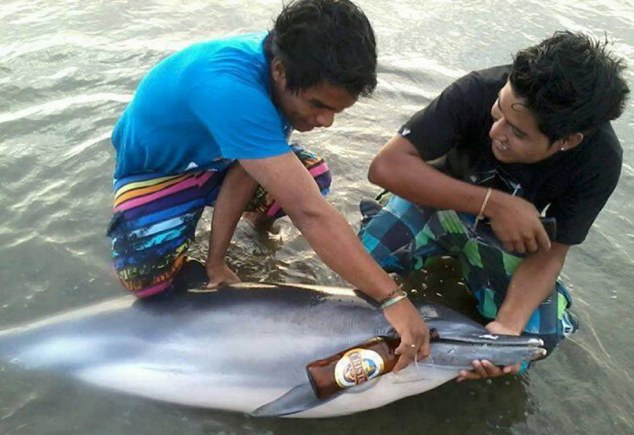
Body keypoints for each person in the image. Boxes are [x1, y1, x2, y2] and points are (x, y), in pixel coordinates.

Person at [106, 0, 430, 370]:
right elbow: (310, 213)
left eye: (336, 111)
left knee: (311, 175)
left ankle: (256, 225)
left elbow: (245, 172)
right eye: (318, 105)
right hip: (158, 172)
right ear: (278, 70)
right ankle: (140, 232)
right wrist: (392, 299)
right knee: (148, 285)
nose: (326, 122)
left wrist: (216, 262)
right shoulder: (231, 89)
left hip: (220, 160)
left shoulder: (289, 65)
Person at [358, 31, 629, 380]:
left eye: (518, 133)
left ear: (568, 141)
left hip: (504, 239)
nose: (495, 132)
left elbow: (551, 253)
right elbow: (386, 166)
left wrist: (508, 326)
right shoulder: (478, 89)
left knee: (534, 340)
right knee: (361, 263)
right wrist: (496, 205)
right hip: (436, 205)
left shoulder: (600, 161)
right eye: (498, 110)